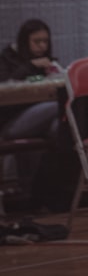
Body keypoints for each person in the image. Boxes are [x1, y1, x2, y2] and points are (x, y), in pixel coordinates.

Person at [0, 19, 61, 195]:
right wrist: (29, 67)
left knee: (60, 125)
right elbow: (5, 85)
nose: (42, 46)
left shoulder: (48, 64)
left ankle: (47, 193)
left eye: (45, 41)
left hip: (40, 122)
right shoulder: (7, 59)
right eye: (36, 41)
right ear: (25, 41)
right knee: (58, 108)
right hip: (11, 121)